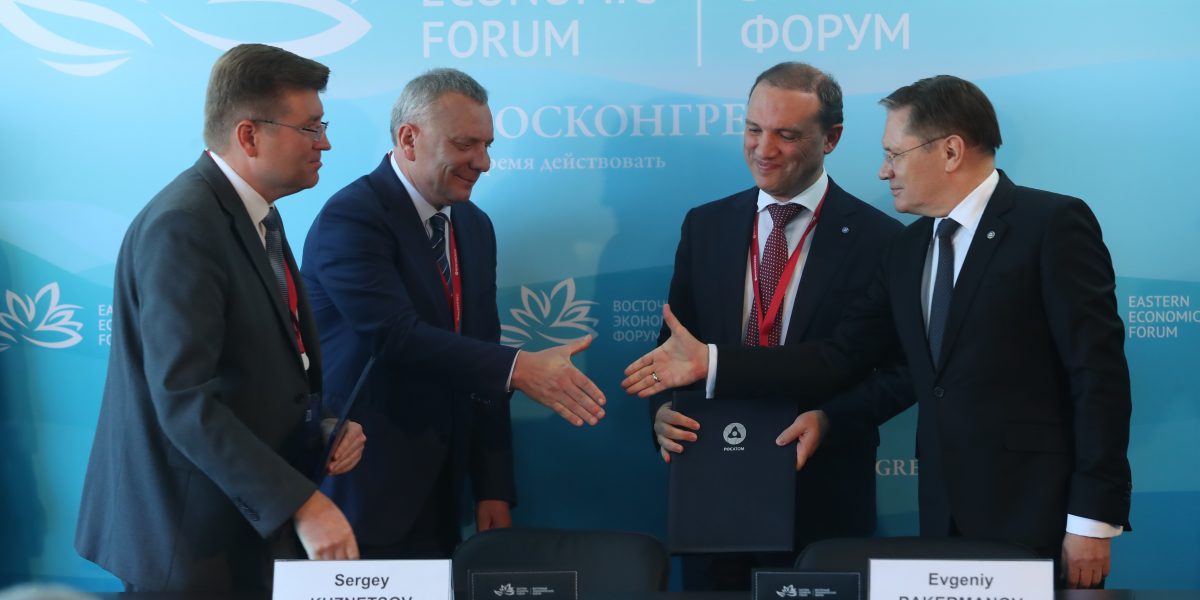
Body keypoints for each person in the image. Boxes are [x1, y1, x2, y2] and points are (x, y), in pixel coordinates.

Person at [625, 75, 1132, 589]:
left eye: (894, 154)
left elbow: (1099, 378)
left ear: (950, 151)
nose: (883, 171)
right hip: (942, 513)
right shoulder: (910, 249)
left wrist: (1092, 518)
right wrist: (822, 413)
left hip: (1039, 513)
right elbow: (841, 355)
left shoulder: (1051, 224)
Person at [75, 44, 365, 593]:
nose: (324, 142)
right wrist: (302, 503)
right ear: (249, 135)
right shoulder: (184, 225)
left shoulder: (254, 215)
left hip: (238, 529)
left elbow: (252, 368)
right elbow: (185, 400)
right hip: (189, 540)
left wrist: (320, 427)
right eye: (310, 128)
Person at [301, 68, 605, 559]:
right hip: (360, 491)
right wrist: (519, 368)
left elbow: (480, 353)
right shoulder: (353, 217)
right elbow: (394, 336)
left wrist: (492, 485)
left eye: (487, 145)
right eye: (466, 144)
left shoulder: (474, 226)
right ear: (409, 139)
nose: (482, 162)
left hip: (445, 495)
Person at [651, 62, 907, 590]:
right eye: (754, 129)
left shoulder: (882, 240)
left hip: (823, 496)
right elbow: (673, 350)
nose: (763, 149)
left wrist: (832, 419)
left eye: (786, 135)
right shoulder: (705, 226)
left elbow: (901, 371)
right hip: (713, 490)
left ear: (831, 138)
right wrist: (659, 413)